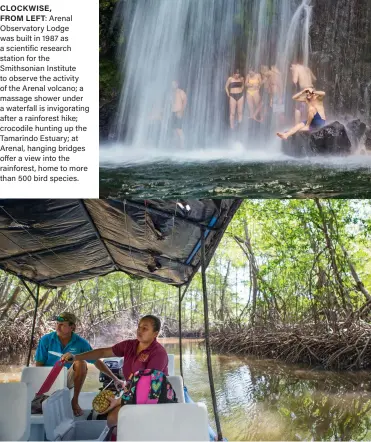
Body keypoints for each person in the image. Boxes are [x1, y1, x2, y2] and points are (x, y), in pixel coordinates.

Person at [61, 315, 168, 428]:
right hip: (131, 392)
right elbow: (102, 353)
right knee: (109, 418)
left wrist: (118, 401)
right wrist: (76, 357)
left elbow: (147, 386)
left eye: (145, 328)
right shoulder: (129, 345)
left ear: (155, 333)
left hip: (153, 396)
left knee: (113, 419)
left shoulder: (159, 353)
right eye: (139, 327)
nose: (139, 331)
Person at [35, 312, 119, 416]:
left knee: (80, 362)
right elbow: (39, 364)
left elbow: (96, 361)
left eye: (62, 325)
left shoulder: (81, 343)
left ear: (72, 327)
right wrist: (38, 385)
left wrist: (115, 378)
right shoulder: (46, 340)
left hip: (67, 378)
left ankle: (74, 401)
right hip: (49, 378)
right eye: (57, 323)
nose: (58, 327)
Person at [171, 80, 187, 148]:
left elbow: (185, 101)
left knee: (179, 130)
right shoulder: (171, 93)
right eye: (172, 84)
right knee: (174, 130)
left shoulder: (181, 92)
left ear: (177, 84)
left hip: (178, 112)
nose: (173, 85)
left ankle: (182, 147)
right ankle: (176, 146)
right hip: (173, 113)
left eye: (174, 84)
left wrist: (181, 111)